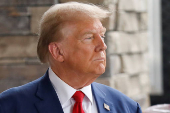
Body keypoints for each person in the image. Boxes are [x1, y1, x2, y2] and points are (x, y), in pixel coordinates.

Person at [0, 2, 142, 113]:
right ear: (57, 51)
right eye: (89, 37)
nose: (102, 45)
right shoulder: (10, 106)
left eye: (102, 36)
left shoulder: (126, 107)